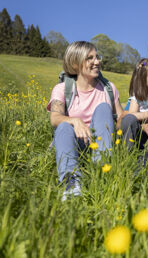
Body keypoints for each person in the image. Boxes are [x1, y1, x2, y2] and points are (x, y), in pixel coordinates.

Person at [47, 41, 123, 200]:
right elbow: (54, 118)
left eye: (97, 57)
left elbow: (121, 118)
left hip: (100, 143)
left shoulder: (109, 88)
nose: (97, 62)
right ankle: (71, 183)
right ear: (75, 64)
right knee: (63, 127)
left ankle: (102, 169)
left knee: (103, 108)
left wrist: (144, 116)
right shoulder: (61, 89)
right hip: (72, 144)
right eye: (90, 58)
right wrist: (75, 120)